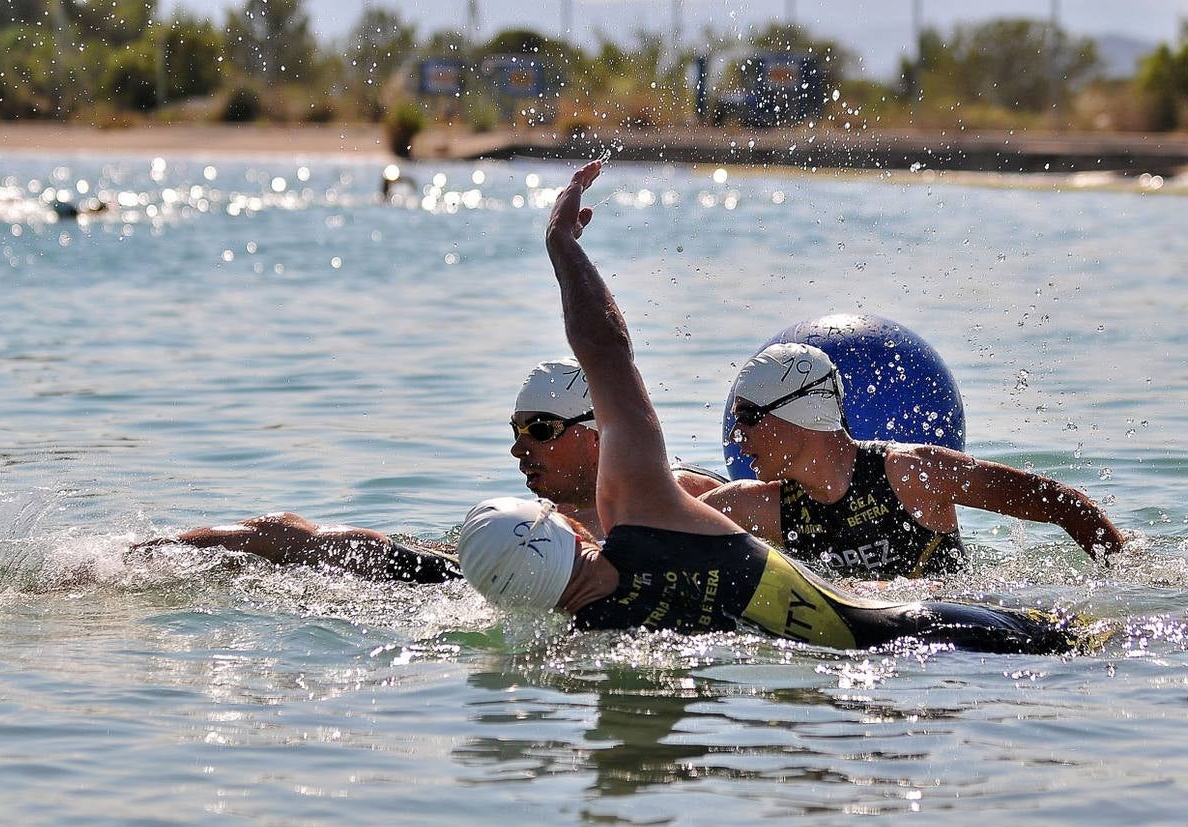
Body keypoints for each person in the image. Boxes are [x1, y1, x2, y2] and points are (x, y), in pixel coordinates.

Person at [457, 160, 1101, 654]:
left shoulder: (583, 639)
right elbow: (606, 350)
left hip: (868, 677)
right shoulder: (645, 513)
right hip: (949, 637)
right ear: (572, 530)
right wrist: (563, 247)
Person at [135, 357, 724, 581]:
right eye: (515, 432)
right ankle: (141, 555)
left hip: (523, 587)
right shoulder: (548, 512)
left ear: (598, 435)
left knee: (299, 540)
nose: (520, 449)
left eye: (541, 431)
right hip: (470, 572)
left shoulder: (679, 496)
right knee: (292, 541)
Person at [702, 342, 1125, 579]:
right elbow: (658, 522)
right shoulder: (755, 505)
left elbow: (1060, 503)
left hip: (953, 656)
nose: (736, 438)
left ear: (795, 412)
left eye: (747, 419)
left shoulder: (912, 473)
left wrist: (1128, 578)